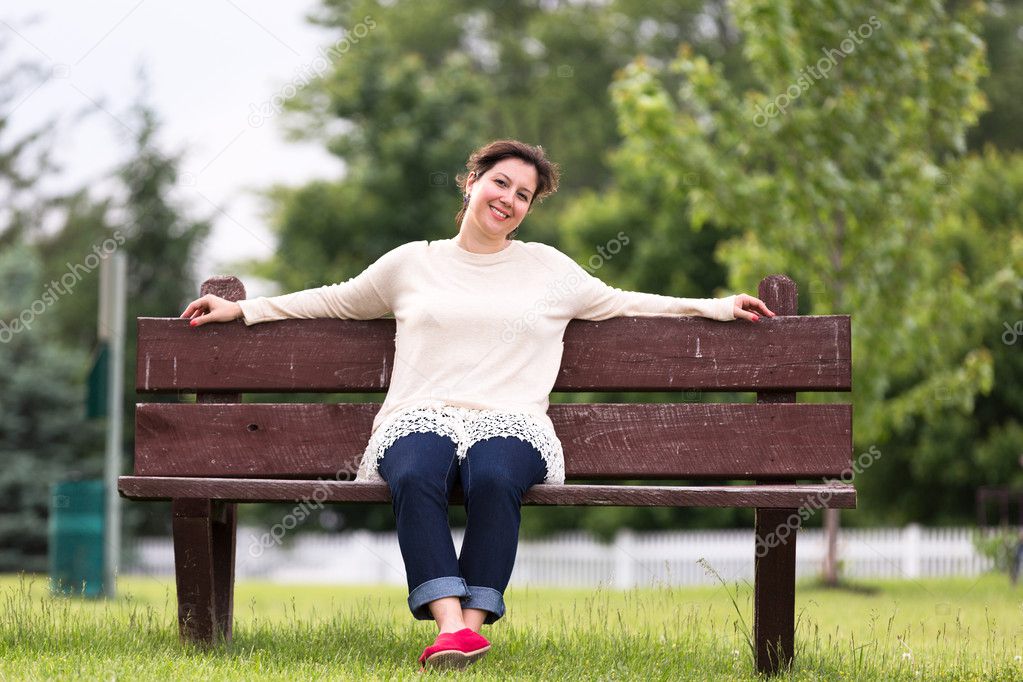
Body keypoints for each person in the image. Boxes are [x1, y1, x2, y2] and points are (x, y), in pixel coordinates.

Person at [180, 139, 775, 670]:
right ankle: (449, 627)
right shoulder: (411, 262)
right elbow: (336, 300)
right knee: (413, 469)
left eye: (524, 194)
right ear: (472, 182)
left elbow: (626, 301)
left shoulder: (550, 270)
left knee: (494, 475)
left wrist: (713, 307)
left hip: (512, 419)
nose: (509, 199)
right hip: (423, 412)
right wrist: (245, 309)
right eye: (501, 183)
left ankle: (470, 627)